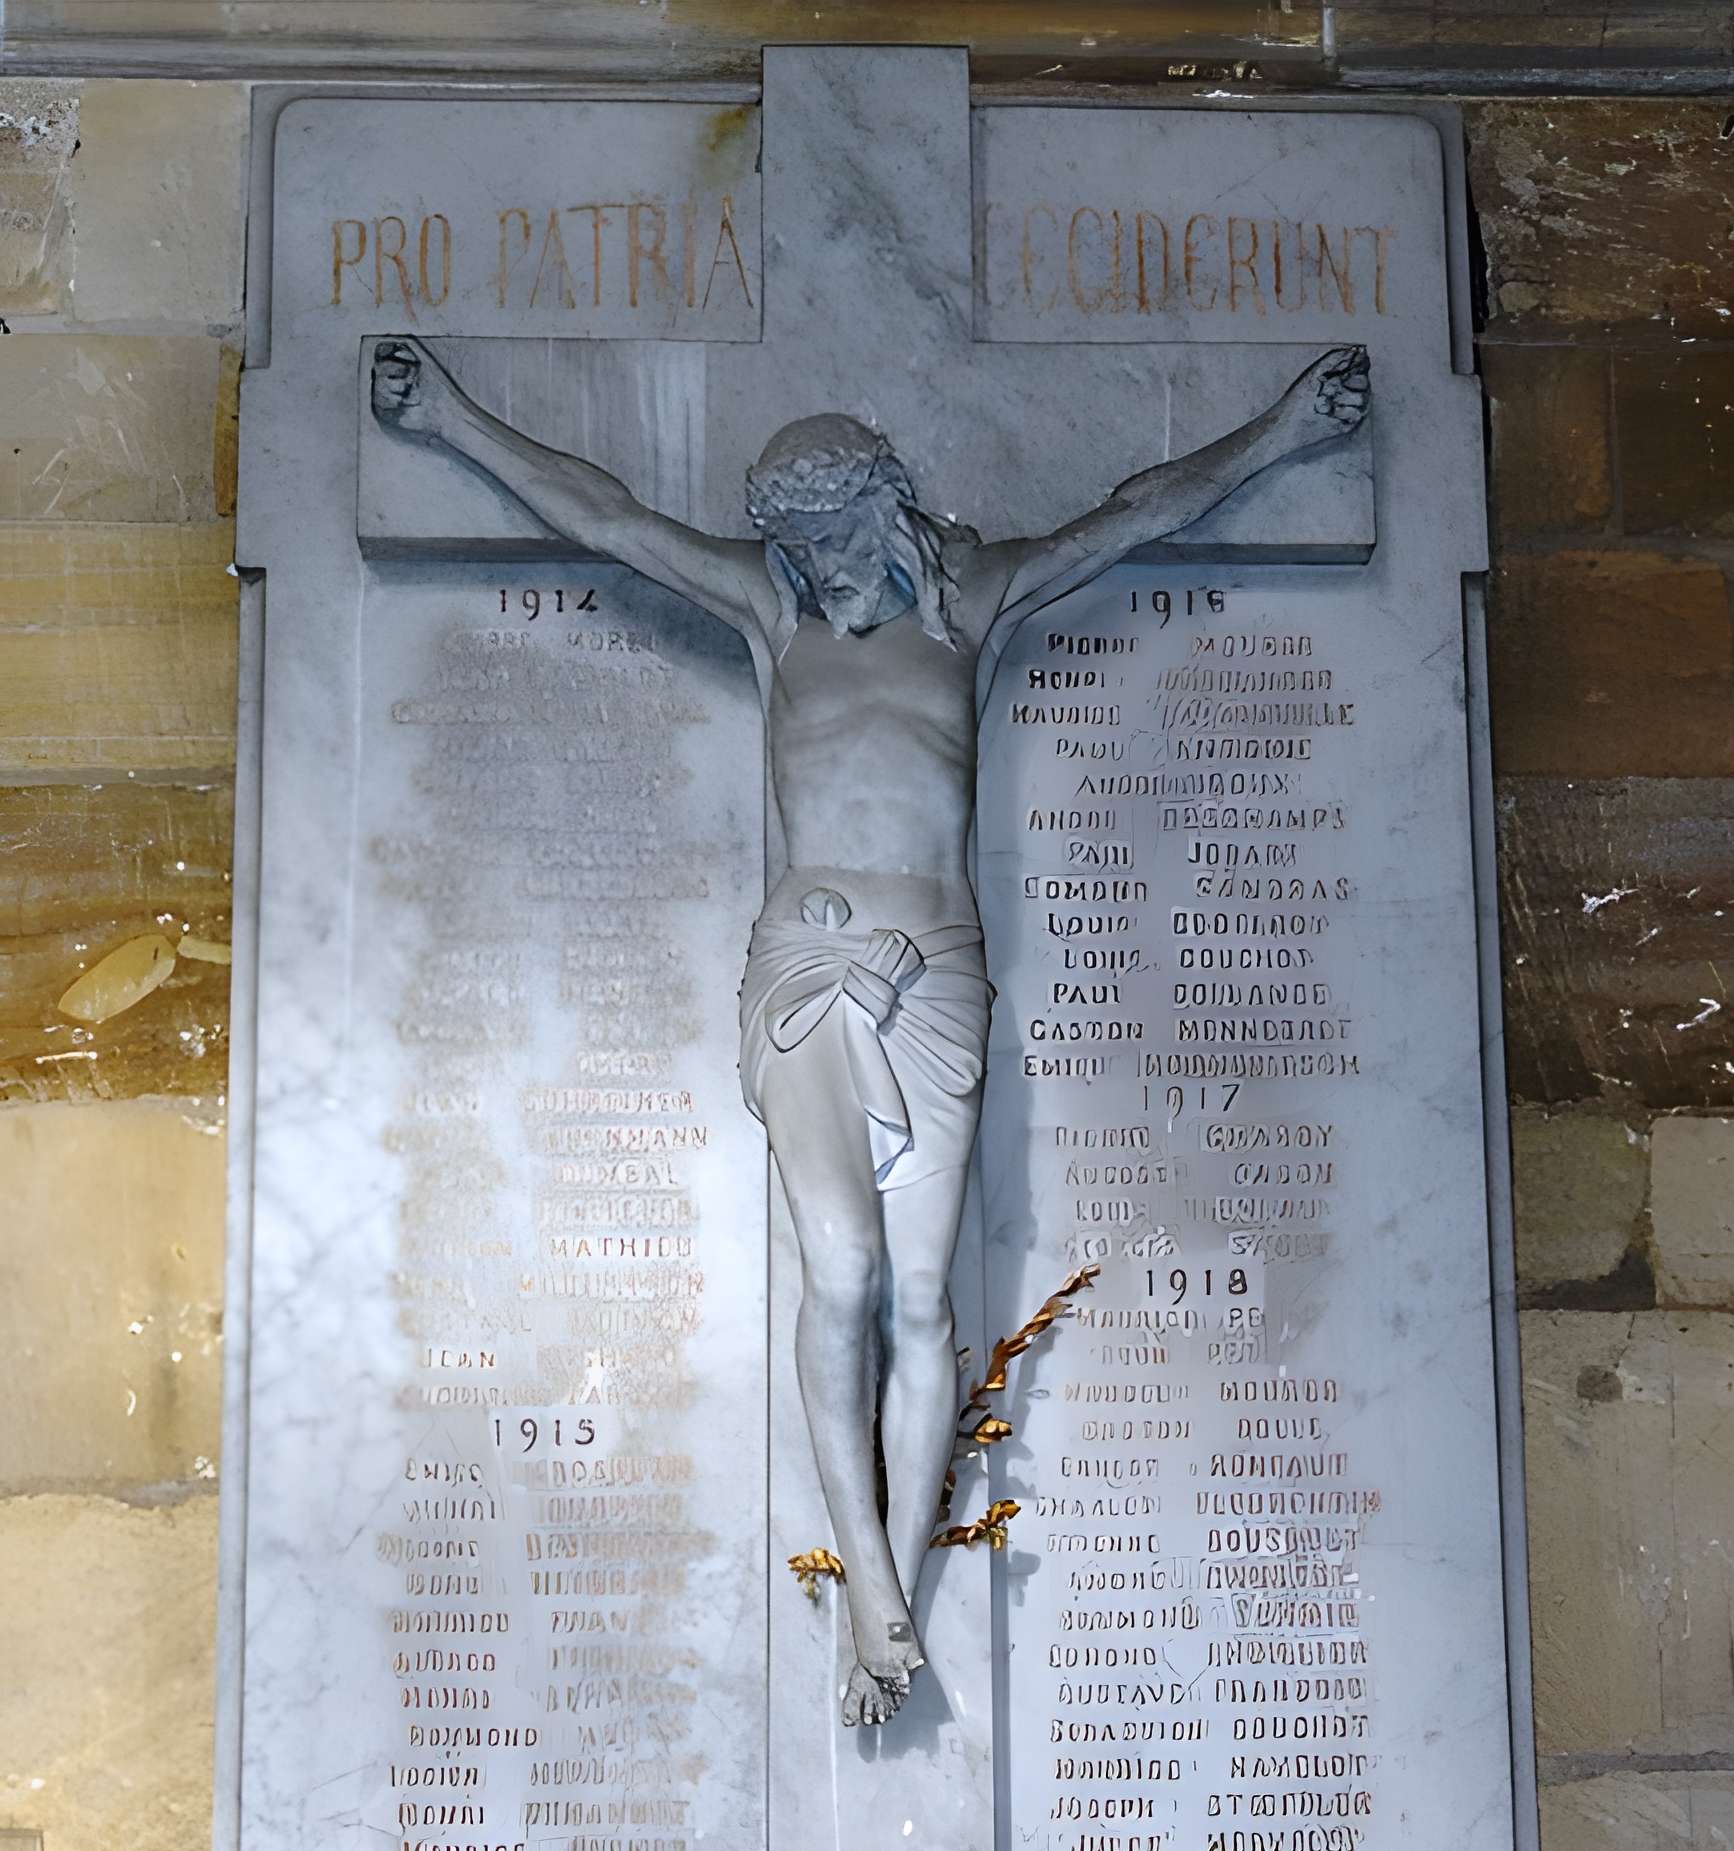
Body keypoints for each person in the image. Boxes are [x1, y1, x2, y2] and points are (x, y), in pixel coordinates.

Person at [372, 337, 1371, 1728]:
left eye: (834, 539)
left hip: (937, 979)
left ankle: (883, 1599)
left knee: (917, 1298)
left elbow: (1136, 512)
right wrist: (455, 420)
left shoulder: (976, 603)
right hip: (807, 970)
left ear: (885, 510)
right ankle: (878, 1601)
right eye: (794, 546)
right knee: (836, 1272)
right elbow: (606, 516)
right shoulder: (775, 617)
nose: (818, 569)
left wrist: (1278, 433)